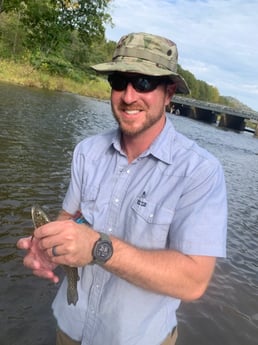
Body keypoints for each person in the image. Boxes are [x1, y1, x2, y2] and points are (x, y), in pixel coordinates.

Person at [17, 32, 227, 345]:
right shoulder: (87, 151)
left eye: (143, 83)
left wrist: (99, 248)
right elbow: (68, 219)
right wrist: (47, 250)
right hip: (70, 327)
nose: (129, 96)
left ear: (169, 93)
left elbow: (193, 281)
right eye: (119, 81)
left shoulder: (201, 172)